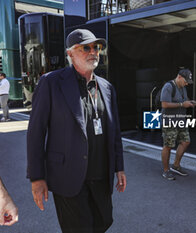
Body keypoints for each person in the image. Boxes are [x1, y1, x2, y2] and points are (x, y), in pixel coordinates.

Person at [26, 29, 126, 233]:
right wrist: (37, 177)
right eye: (86, 48)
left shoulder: (106, 87)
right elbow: (36, 133)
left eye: (96, 47)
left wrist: (119, 167)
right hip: (67, 176)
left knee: (103, 223)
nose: (93, 52)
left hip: (101, 176)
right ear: (70, 53)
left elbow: (114, 132)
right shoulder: (51, 82)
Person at [160, 69, 196, 180]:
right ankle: (166, 171)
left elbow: (184, 100)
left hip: (181, 120)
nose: (186, 84)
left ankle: (176, 166)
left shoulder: (183, 88)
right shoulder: (168, 86)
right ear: (179, 77)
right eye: (186, 81)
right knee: (168, 146)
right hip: (169, 121)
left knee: (186, 141)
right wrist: (181, 104)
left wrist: (190, 102)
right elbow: (164, 104)